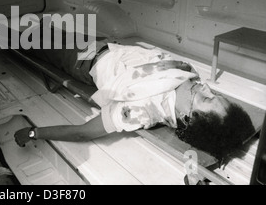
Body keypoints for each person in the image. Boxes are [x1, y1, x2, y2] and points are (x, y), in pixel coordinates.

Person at [13, 20, 255, 164]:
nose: (204, 87)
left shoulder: (142, 108)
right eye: (213, 93)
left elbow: (82, 134)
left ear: (187, 118)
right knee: (49, 32)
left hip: (85, 59)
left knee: (29, 39)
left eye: (204, 98)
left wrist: (34, 133)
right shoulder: (186, 86)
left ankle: (0, 30)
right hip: (107, 45)